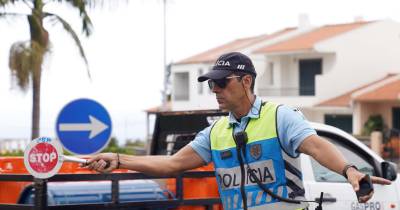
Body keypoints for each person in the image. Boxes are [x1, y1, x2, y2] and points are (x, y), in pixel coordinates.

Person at [85, 52, 391, 210]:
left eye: (222, 83)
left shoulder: (279, 117)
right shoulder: (216, 131)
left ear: (246, 82)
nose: (215, 90)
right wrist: (119, 159)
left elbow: (316, 146)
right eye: (212, 84)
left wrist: (349, 170)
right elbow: (172, 164)